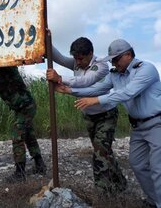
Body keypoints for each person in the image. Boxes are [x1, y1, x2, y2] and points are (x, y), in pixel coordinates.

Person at [56, 39, 161, 208]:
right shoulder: (115, 74)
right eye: (111, 59)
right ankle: (153, 201)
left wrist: (96, 101)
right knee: (137, 164)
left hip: (160, 123)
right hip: (139, 126)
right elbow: (98, 89)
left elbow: (127, 93)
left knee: (160, 170)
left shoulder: (146, 69)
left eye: (116, 59)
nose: (113, 63)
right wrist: (70, 90)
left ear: (128, 55)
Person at [46, 37, 127, 193]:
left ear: (90, 53)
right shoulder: (77, 62)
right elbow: (60, 59)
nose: (78, 62)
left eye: (81, 58)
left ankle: (103, 192)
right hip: (89, 116)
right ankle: (120, 182)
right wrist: (46, 40)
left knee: (100, 151)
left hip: (106, 114)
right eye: (75, 58)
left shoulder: (101, 65)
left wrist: (61, 79)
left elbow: (86, 81)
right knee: (104, 151)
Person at [0, 66, 46, 182]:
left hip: (26, 107)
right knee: (29, 135)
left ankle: (20, 173)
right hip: (21, 108)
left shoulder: (8, 69)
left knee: (17, 135)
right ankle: (40, 165)